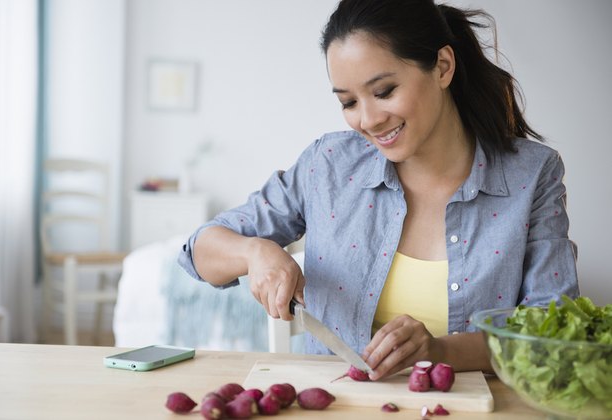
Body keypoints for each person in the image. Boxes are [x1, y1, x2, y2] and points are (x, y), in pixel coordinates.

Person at [178, 0, 579, 380]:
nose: (368, 119)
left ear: (442, 66)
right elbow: (197, 252)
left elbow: (552, 337)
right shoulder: (329, 165)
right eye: (349, 101)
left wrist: (441, 352)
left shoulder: (531, 175)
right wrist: (255, 252)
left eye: (384, 91)